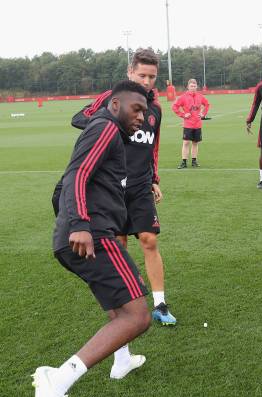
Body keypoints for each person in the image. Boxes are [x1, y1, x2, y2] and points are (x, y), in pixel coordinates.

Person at [33, 81, 151, 397]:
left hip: (83, 235)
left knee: (120, 310)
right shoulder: (105, 127)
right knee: (138, 315)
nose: (142, 118)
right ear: (115, 103)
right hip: (91, 235)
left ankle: (122, 360)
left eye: (145, 113)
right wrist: (81, 224)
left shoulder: (108, 129)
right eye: (136, 109)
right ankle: (58, 378)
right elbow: (77, 175)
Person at [67, 49, 177, 328]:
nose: (147, 81)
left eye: (152, 76)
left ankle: (160, 304)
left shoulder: (157, 108)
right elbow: (80, 117)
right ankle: (129, 299)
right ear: (130, 73)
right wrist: (110, 126)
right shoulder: (113, 98)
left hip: (141, 185)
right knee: (120, 244)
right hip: (113, 187)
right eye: (142, 75)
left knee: (149, 240)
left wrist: (154, 179)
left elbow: (153, 146)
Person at [172, 78, 210, 168]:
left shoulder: (200, 96)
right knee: (185, 143)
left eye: (194, 86)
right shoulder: (183, 97)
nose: (193, 88)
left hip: (197, 124)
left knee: (195, 143)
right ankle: (184, 162)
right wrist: (183, 114)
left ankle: (194, 161)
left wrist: (203, 114)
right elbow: (174, 107)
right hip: (188, 124)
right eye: (191, 86)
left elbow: (207, 104)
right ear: (188, 87)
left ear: (196, 87)